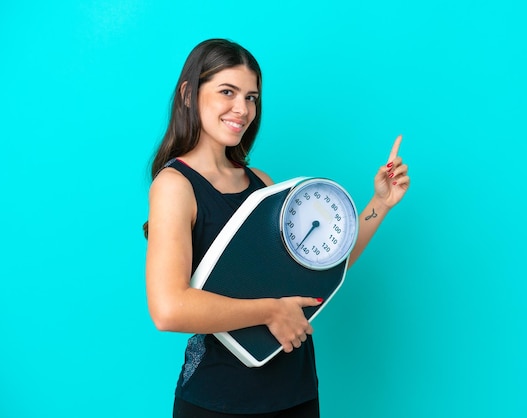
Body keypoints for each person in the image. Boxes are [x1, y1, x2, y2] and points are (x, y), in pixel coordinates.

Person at [144, 39, 410, 418]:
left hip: (296, 392)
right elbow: (168, 309)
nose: (243, 109)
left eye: (251, 97)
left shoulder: (261, 183)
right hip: (220, 400)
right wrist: (271, 311)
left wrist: (380, 203)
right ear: (189, 93)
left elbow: (320, 266)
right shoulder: (176, 186)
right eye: (227, 92)